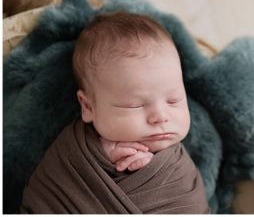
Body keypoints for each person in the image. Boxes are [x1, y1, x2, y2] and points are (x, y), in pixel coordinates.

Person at [21, 12, 209, 213]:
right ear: (88, 107)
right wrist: (102, 156)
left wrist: (150, 170)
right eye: (135, 105)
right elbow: (46, 197)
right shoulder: (72, 153)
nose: (161, 116)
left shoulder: (179, 171)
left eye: (174, 100)